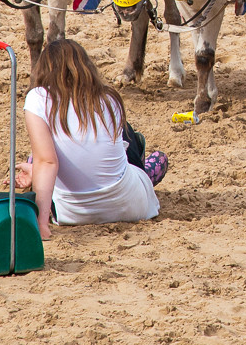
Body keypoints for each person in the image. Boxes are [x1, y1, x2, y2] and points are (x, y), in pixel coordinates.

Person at [10, 39, 168, 239]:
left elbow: (48, 161)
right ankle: (147, 174)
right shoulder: (110, 98)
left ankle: (34, 171)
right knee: (130, 139)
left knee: (42, 151)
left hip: (71, 212)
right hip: (131, 206)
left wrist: (41, 224)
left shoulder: (38, 98)